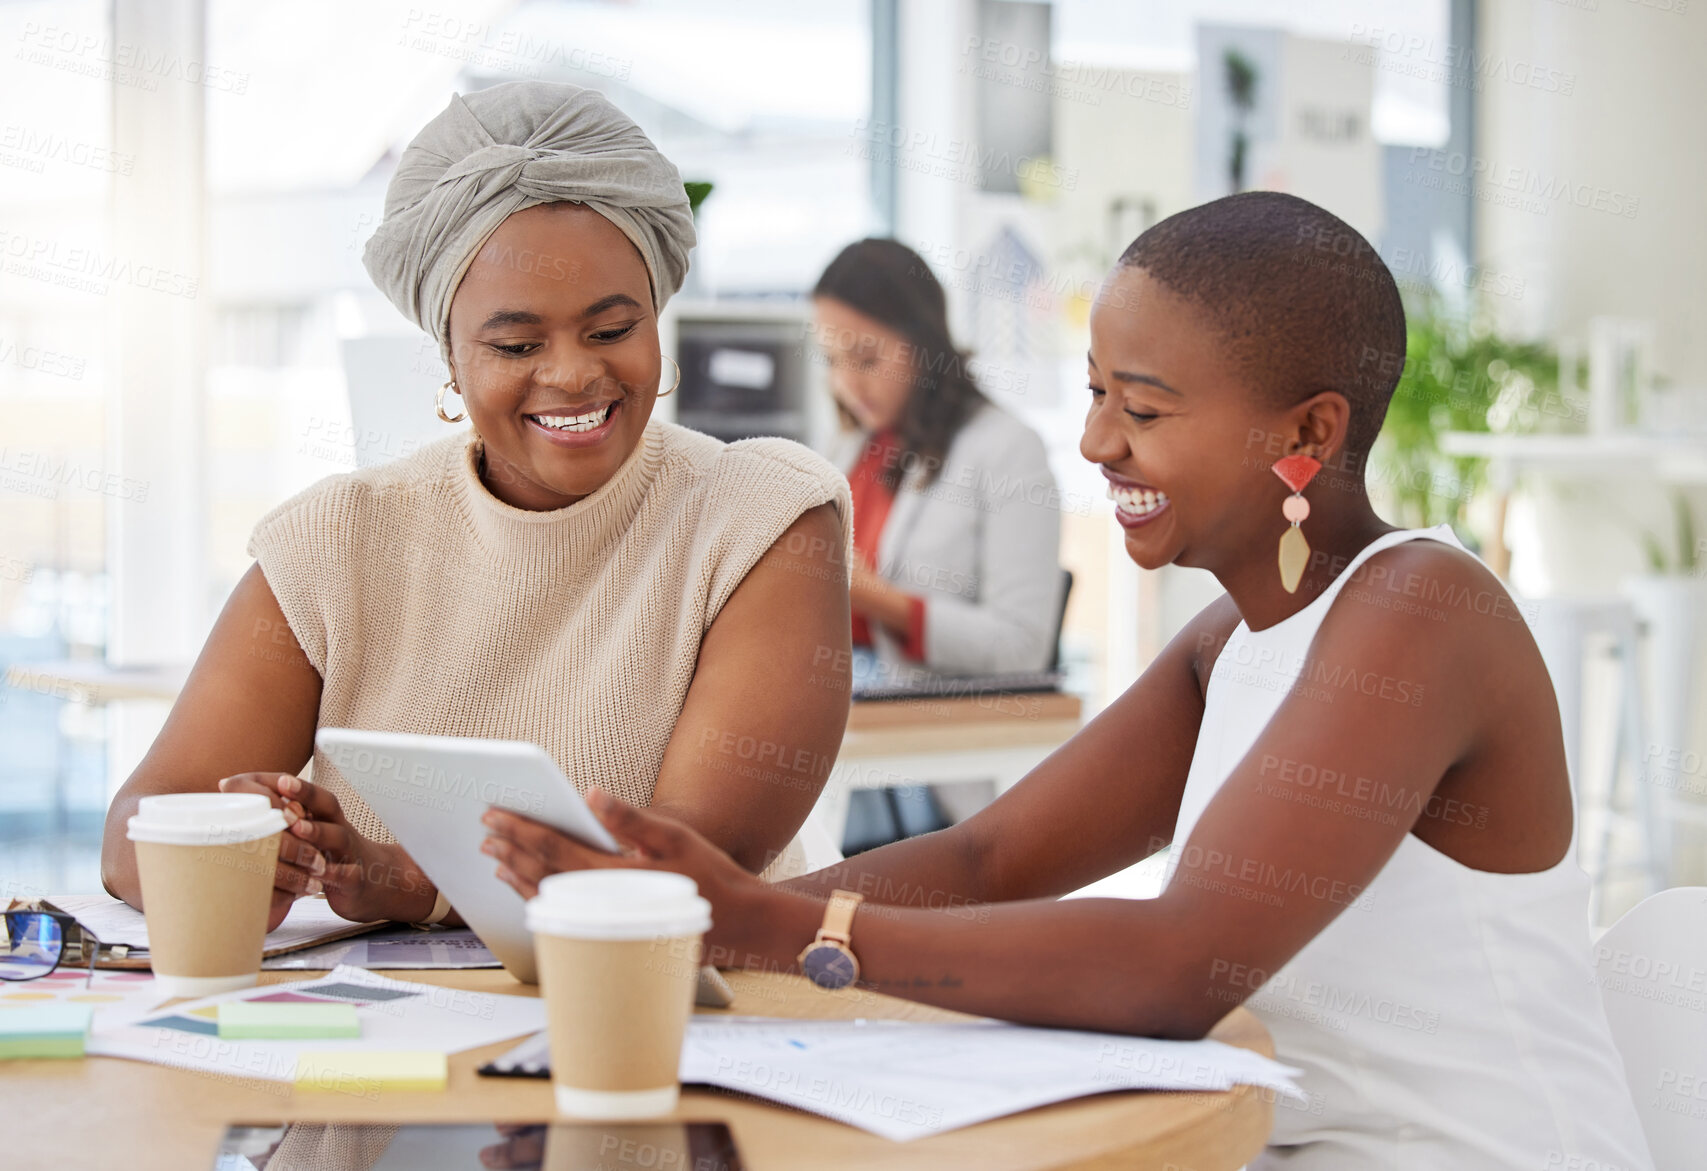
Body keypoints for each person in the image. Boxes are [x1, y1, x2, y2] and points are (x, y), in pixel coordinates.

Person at [482, 193, 1655, 1168]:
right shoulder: (1227, 643)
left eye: (1142, 408)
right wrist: (688, 917)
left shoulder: (1422, 612)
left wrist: (780, 924)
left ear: (1307, 431)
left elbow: (1182, 964)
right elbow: (988, 860)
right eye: (1096, 394)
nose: (1097, 444)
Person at [99, 80, 853, 931]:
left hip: (679, 1030)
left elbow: (687, 867)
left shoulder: (762, 519)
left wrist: (413, 881)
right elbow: (132, 836)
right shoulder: (340, 540)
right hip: (400, 1047)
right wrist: (239, 841)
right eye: (516, 344)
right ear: (449, 357)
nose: (571, 373)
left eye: (611, 330)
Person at [811, 239, 1064, 680]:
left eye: (866, 359)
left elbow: (1023, 648)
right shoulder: (855, 444)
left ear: (923, 342)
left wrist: (877, 599)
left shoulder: (1008, 449)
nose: (846, 384)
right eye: (832, 360)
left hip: (931, 727)